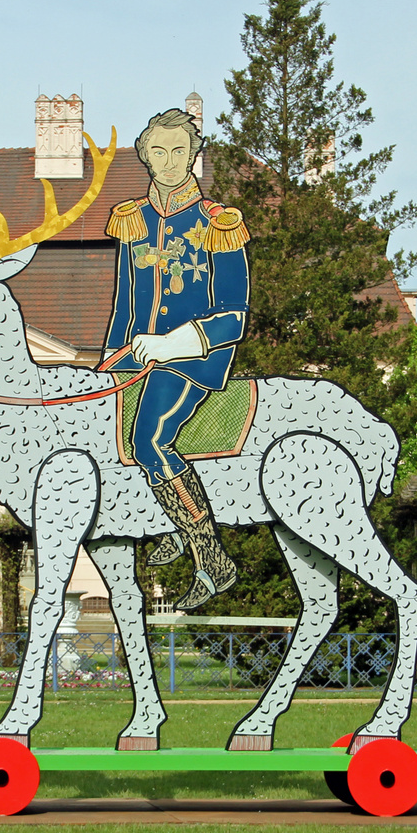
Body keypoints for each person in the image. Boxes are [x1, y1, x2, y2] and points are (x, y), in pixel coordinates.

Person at [104, 109, 250, 609]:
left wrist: (173, 344)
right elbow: (125, 301)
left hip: (193, 357)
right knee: (110, 442)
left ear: (195, 155)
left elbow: (235, 317)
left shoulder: (219, 223)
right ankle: (175, 523)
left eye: (180, 151)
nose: (169, 163)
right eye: (159, 152)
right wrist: (111, 358)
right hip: (136, 358)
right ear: (145, 156)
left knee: (149, 439)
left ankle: (212, 558)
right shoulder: (131, 219)